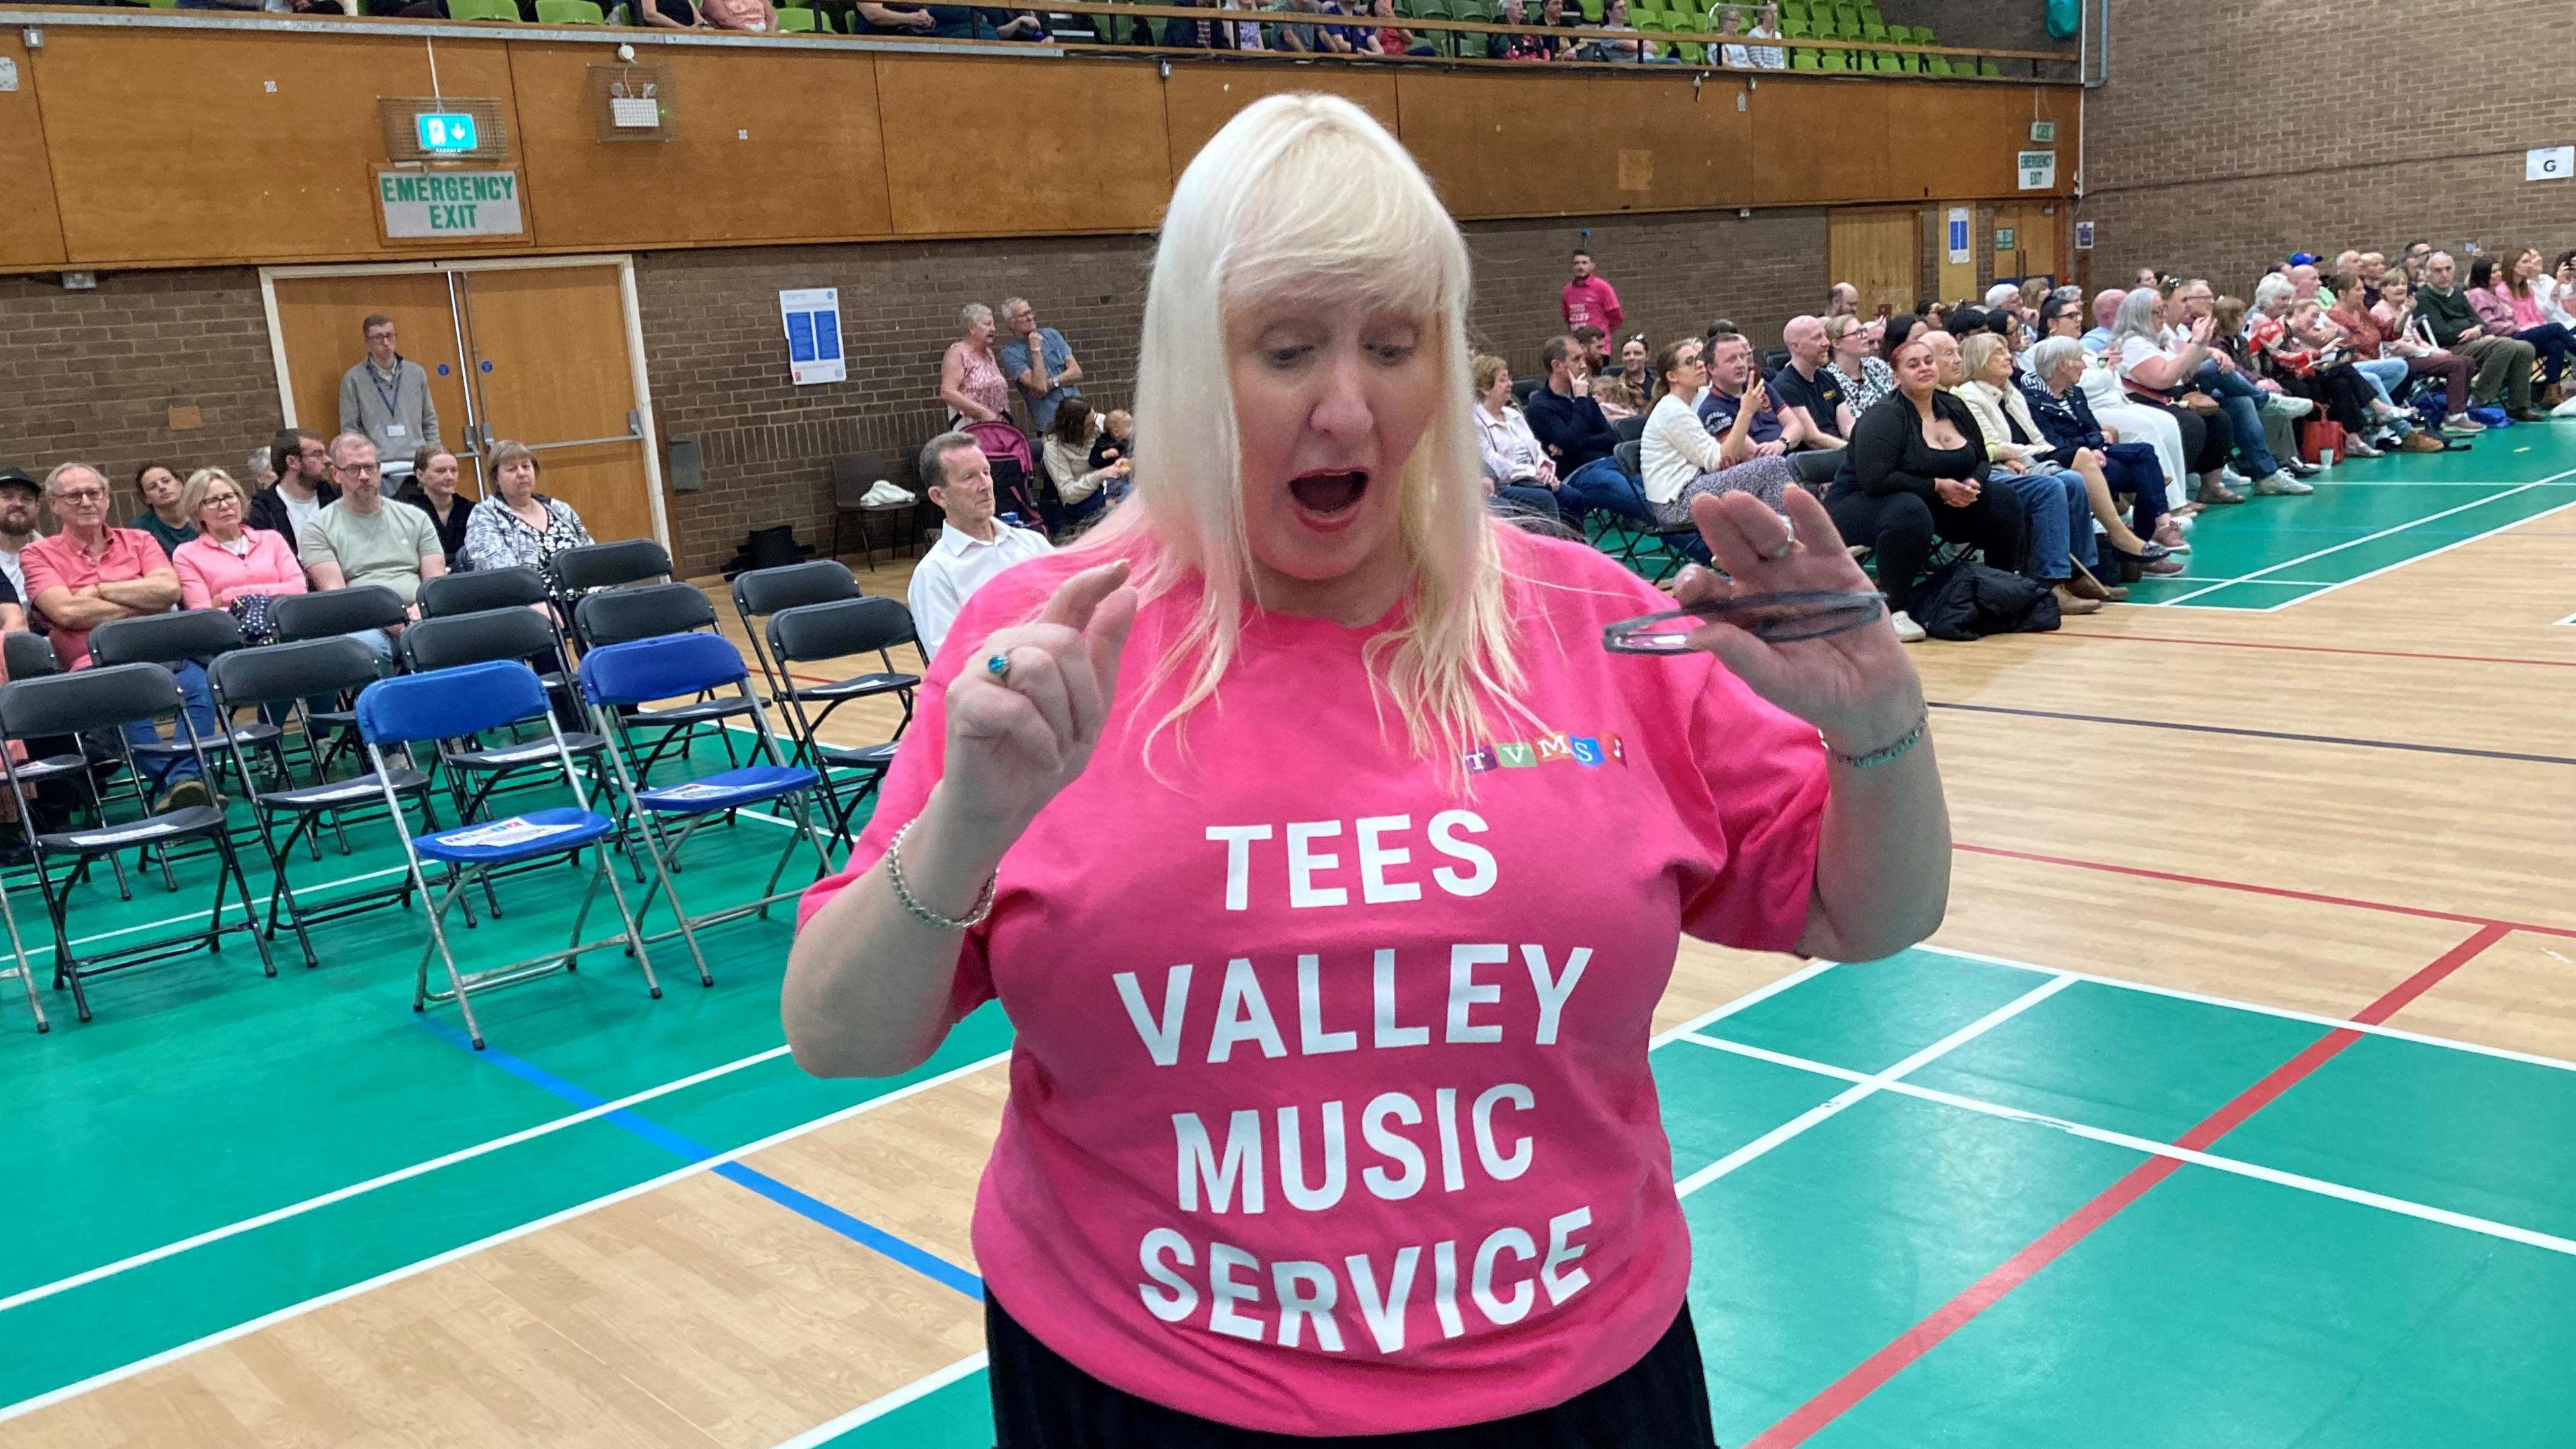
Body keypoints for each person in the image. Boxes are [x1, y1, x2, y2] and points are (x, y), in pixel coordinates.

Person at [784, 94, 1945, 1446]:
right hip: (1144, 1391)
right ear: (1187, 372)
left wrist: (1877, 730)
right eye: (1287, 350)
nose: (1348, 403)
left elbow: (1872, 913)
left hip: (1574, 1386)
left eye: (1394, 346)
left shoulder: (1588, 625)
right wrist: (968, 825)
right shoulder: (1048, 635)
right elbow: (837, 1033)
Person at [21, 462, 213, 812]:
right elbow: (66, 613)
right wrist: (139, 603)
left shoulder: (140, 540)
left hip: (160, 651)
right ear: (54, 505)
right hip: (93, 664)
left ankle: (180, 783)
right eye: (74, 495)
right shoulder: (37, 554)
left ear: (107, 498)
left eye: (94, 493)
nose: (86, 501)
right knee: (124, 695)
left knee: (200, 684)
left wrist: (97, 590)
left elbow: (169, 591)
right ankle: (181, 782)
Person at [1824, 333, 2026, 644]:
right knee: (1908, 509)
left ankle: (1999, 589)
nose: (1924, 369)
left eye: (1929, 361)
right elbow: (1874, 479)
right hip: (1862, 503)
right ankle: (1896, 609)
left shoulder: (1953, 405)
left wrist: (1973, 482)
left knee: (2002, 499)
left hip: (1931, 501)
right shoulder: (1885, 416)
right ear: (1896, 376)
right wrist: (1937, 486)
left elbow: (1982, 458)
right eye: (1913, 365)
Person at [1949, 331, 2112, 614]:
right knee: (2052, 487)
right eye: (1998, 352)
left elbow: (2037, 439)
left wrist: (2039, 453)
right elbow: (1994, 447)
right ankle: (2049, 583)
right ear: (1980, 361)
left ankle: (2077, 576)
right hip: (1996, 469)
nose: (2008, 356)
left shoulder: (2012, 394)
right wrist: (2031, 454)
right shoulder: (1969, 395)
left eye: (2006, 350)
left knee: (2073, 480)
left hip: (2025, 460)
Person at [2106, 288, 2303, 499]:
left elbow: (2188, 370)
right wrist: (2199, 344)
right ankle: (2175, 493)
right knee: (2193, 422)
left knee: (2229, 412)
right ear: (2139, 315)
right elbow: (2164, 378)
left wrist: (2205, 345)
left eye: (2163, 310)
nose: (2163, 316)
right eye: (2157, 312)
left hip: (2176, 395)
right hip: (2150, 399)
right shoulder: (2134, 343)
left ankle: (2221, 484)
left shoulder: (2161, 338)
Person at [2021, 335, 2189, 564]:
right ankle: (2146, 545)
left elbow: (2092, 428)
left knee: (2145, 452)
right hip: (2068, 461)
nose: (2083, 365)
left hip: (2093, 454)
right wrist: (2092, 444)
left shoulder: (2074, 393)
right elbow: (2051, 444)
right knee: (2147, 477)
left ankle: (2155, 528)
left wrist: (2097, 444)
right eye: (2079, 360)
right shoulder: (2032, 400)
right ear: (2062, 365)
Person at [905, 431, 1053, 662]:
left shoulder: (1032, 543)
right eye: (969, 478)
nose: (985, 485)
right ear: (939, 496)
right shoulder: (934, 574)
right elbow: (950, 663)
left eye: (986, 472)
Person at [301, 435, 447, 661]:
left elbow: (435, 584)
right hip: (365, 625)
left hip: (422, 617)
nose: (364, 476)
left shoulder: (416, 518)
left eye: (370, 467)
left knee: (460, 636)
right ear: (336, 475)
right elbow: (337, 597)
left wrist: (420, 612)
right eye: (353, 469)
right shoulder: (317, 529)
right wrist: (389, 618)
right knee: (368, 648)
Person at [1642, 337, 1799, 530]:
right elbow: (1721, 460)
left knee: (1770, 471)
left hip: (1695, 488)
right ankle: (1783, 538)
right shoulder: (1673, 411)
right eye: (1689, 362)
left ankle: (1773, 540)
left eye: (1698, 358)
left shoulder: (1688, 403)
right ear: (1673, 376)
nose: (1699, 364)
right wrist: (1746, 412)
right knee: (1772, 466)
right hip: (1678, 502)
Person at [1522, 335, 1653, 525]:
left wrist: (1573, 444)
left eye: (1583, 358)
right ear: (1557, 366)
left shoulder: (1584, 398)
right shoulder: (1542, 405)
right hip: (1578, 474)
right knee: (1644, 503)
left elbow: (1610, 437)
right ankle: (1700, 543)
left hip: (1610, 462)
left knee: (1658, 493)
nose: (1584, 365)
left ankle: (1700, 541)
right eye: (1577, 360)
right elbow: (1572, 443)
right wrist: (1581, 401)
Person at [170, 469, 308, 629]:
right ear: (197, 512)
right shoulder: (186, 555)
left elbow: (298, 589)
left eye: (229, 496)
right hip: (231, 636)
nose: (225, 505)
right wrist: (273, 597)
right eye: (212, 501)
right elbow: (205, 613)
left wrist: (229, 596)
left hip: (287, 626)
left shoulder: (272, 539)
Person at [2414, 251, 2542, 421]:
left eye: (2448, 269)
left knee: (2525, 347)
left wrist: (2478, 330)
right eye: (2438, 271)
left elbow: (2479, 321)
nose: (2444, 275)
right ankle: (2478, 399)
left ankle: (2519, 405)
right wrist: (2474, 331)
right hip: (2449, 348)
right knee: (2506, 345)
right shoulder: (2424, 298)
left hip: (2473, 340)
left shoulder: (2457, 293)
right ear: (2428, 274)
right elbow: (2441, 333)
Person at [2370, 274, 2482, 433]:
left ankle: (2461, 411)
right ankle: (2454, 417)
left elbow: (2417, 339)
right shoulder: (2379, 310)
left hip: (2417, 354)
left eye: (2403, 284)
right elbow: (2394, 345)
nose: (2401, 288)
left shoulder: (2405, 308)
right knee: (2456, 365)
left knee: (2468, 361)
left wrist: (2435, 351)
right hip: (2399, 359)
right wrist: (2427, 353)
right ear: (2383, 290)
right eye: (2394, 285)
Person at [461, 441, 592, 574]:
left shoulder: (559, 509)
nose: (521, 474)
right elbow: (502, 574)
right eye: (512, 469)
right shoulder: (485, 515)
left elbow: (592, 554)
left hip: (586, 589)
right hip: (530, 593)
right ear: (496, 478)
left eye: (526, 466)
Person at [2469, 254, 2575, 405]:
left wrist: (2536, 325)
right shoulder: (2482, 294)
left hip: (2521, 333)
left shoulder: (2505, 291)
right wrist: (2516, 325)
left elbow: (2535, 315)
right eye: (2493, 272)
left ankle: (2552, 392)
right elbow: (2489, 325)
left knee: (2556, 345)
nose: (2499, 274)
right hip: (2506, 338)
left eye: (2499, 270)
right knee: (2556, 328)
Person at [337, 314, 441, 465]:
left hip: (417, 461)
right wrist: (362, 463)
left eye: (390, 336)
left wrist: (434, 457)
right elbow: (350, 429)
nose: (386, 342)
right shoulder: (353, 378)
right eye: (378, 337)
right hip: (378, 464)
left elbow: (429, 420)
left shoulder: (416, 373)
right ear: (367, 341)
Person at [1470, 356, 1564, 521]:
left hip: (1533, 477)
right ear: (1486, 388)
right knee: (1545, 499)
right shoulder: (1475, 422)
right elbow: (1493, 463)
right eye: (1503, 380)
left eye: (1509, 378)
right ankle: (1554, 545)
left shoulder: (1514, 415)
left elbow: (1535, 447)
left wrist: (1545, 469)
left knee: (1571, 496)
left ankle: (1576, 544)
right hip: (1506, 484)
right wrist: (1533, 473)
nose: (1510, 384)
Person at [997, 298, 1085, 435]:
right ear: (1010, 324)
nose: (1030, 318)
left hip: (1081, 414)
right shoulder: (1011, 353)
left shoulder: (1052, 335)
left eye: (1030, 312)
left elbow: (1077, 372)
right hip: (1052, 424)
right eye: (1023, 315)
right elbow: (1040, 387)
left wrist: (1052, 383)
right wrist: (1036, 350)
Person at [1041, 398, 1128, 533]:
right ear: (1075, 428)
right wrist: (1099, 475)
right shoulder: (1054, 447)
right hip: (1080, 500)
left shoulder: (1100, 425)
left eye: (1094, 420)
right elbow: (1068, 493)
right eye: (1089, 425)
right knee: (1123, 503)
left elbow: (1126, 436)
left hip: (1111, 486)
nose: (1095, 426)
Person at [1771, 315, 1854, 449]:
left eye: (1825, 336)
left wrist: (1865, 442)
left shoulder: (1828, 378)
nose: (1827, 342)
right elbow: (1813, 439)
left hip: (1841, 451)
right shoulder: (1784, 386)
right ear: (1796, 346)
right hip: (1815, 459)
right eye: (1817, 338)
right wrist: (1853, 451)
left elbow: (1848, 426)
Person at [252, 427, 339, 552]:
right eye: (318, 454)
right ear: (292, 462)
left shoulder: (337, 497)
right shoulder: (263, 511)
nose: (328, 460)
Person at [396, 445, 474, 568]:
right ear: (420, 475)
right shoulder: (408, 513)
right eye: (441, 471)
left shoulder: (471, 510)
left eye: (453, 470)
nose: (449, 477)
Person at [941, 303, 1014, 427]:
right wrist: (982, 413)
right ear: (972, 328)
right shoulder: (957, 353)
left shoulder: (989, 353)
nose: (993, 329)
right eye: (987, 324)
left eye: (993, 324)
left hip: (999, 428)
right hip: (972, 429)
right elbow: (947, 392)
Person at [1825, 314, 1894, 416]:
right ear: (1837, 344)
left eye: (1864, 331)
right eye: (1858, 333)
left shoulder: (1876, 365)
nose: (1865, 336)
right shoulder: (1829, 380)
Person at [128, 462, 196, 557]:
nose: (162, 487)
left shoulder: (204, 517)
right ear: (146, 498)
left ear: (181, 485)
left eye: (166, 481)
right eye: (153, 487)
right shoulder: (140, 530)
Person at [0, 468, 42, 608]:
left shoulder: (56, 557)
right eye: (7, 497)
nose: (18, 504)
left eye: (27, 498)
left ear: (37, 508)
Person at [1560, 247, 1622, 333]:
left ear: (1592, 266)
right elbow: (1567, 317)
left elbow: (1615, 315)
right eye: (1576, 263)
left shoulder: (1602, 287)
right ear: (1572, 267)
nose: (1580, 267)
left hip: (1598, 342)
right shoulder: (1567, 291)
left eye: (1584, 263)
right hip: (1577, 343)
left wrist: (1603, 334)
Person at [2080, 288, 2125, 354]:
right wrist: (2104, 361)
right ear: (2107, 317)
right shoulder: (2091, 343)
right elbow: (2095, 364)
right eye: (2126, 309)